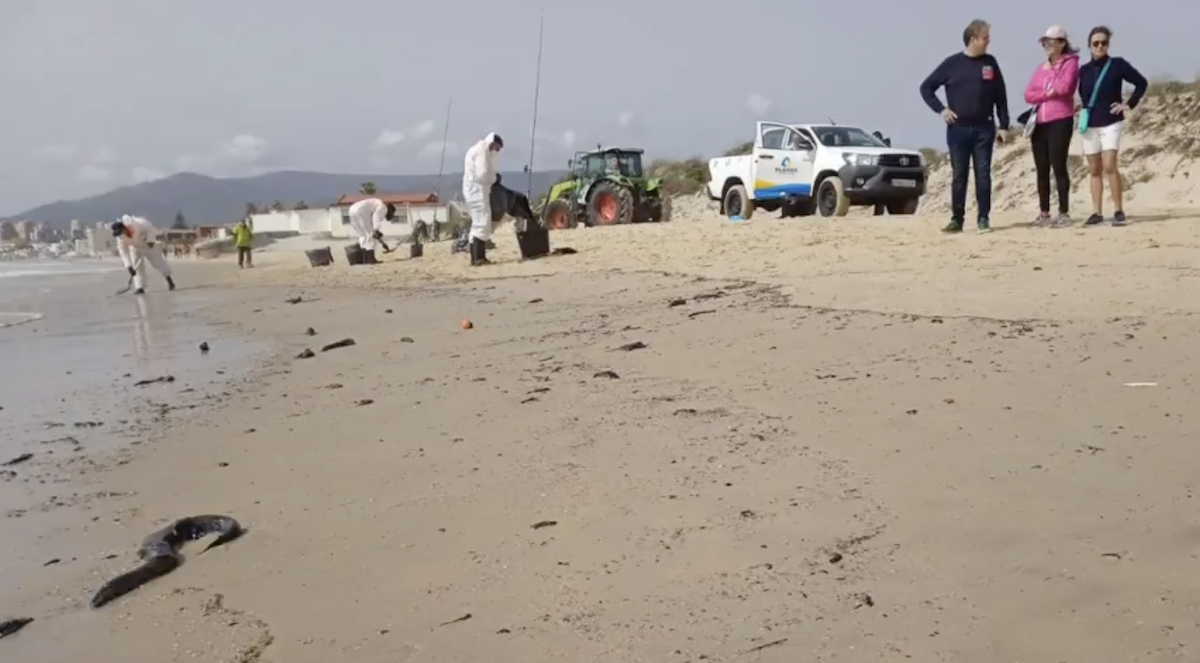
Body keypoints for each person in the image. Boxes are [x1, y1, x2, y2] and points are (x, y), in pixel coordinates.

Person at [919, 19, 1011, 234]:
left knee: (983, 174)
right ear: (972, 39)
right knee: (959, 175)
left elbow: (1001, 95)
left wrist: (1004, 125)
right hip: (958, 129)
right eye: (985, 37)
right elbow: (926, 88)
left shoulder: (990, 63)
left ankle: (983, 218)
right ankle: (957, 219)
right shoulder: (952, 64)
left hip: (984, 128)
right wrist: (941, 110)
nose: (989, 41)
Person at [1078, 26, 1147, 227]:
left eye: (1104, 43)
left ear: (1108, 44)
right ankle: (1097, 212)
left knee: (1109, 165)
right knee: (1094, 169)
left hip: (1111, 121)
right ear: (1089, 46)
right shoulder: (1084, 70)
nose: (1100, 46)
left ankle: (1118, 209)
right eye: (1096, 43)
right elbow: (1082, 95)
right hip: (1090, 124)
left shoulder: (1117, 64)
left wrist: (1128, 104)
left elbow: (1141, 83)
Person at [1023, 26, 1080, 228]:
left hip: (1060, 120)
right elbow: (1029, 94)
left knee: (1058, 165)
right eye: (1044, 42)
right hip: (1040, 123)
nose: (1046, 45)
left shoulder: (1070, 63)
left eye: (1050, 41)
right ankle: (1044, 212)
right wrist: (1046, 93)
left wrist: (1052, 77)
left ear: (1061, 43)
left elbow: (1065, 88)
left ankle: (1063, 212)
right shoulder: (1042, 67)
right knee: (1042, 168)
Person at [462, 132, 503, 266]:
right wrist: (495, 178)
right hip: (477, 192)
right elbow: (483, 174)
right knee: (482, 222)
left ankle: (476, 257)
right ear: (492, 143)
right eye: (496, 148)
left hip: (473, 191)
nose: (497, 151)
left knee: (477, 223)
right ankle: (478, 258)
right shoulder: (482, 151)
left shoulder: (477, 149)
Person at [112, 215, 175, 294]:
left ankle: (170, 281)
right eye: (119, 233)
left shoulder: (139, 223)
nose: (121, 234)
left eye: (121, 231)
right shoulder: (120, 237)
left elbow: (151, 229)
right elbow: (123, 251)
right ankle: (140, 287)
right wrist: (129, 266)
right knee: (137, 268)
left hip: (148, 245)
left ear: (124, 227)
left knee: (159, 263)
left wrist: (150, 240)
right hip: (135, 248)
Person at [347, 198, 396, 263]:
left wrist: (378, 235)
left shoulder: (376, 205)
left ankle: (364, 259)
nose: (392, 216)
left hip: (352, 210)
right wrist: (376, 230)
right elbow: (376, 217)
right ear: (390, 210)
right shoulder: (383, 207)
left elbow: (372, 221)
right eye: (392, 214)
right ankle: (370, 259)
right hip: (361, 211)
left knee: (363, 235)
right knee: (370, 235)